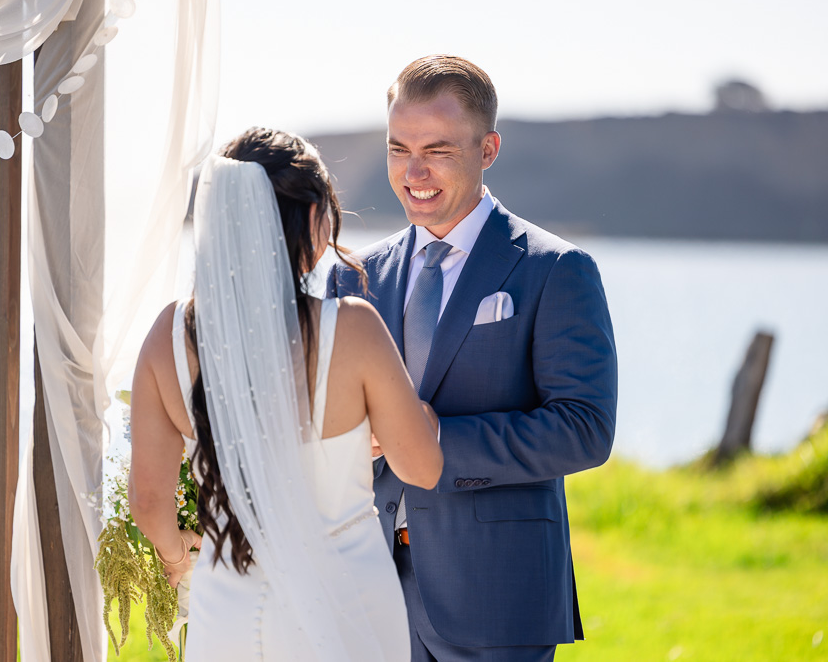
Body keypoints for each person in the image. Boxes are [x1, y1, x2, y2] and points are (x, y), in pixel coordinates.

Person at [326, 55, 618, 662]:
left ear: (488, 150)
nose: (414, 171)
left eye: (438, 149)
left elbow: (585, 429)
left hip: (498, 595)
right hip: (366, 587)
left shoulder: (556, 270)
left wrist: (434, 439)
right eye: (398, 148)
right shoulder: (352, 276)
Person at [128, 127, 443, 661]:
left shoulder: (168, 336)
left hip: (226, 602)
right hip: (347, 598)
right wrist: (422, 416)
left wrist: (179, 554)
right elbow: (422, 468)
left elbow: (151, 502)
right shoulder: (353, 329)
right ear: (312, 220)